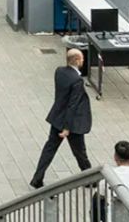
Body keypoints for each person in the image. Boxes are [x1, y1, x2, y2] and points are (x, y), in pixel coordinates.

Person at [31, 49, 93, 187]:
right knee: (80, 152)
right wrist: (67, 127)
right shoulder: (77, 80)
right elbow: (72, 105)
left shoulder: (59, 71)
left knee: (49, 149)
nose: (83, 61)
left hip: (57, 118)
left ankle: (37, 178)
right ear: (76, 60)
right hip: (71, 123)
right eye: (81, 59)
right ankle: (89, 178)